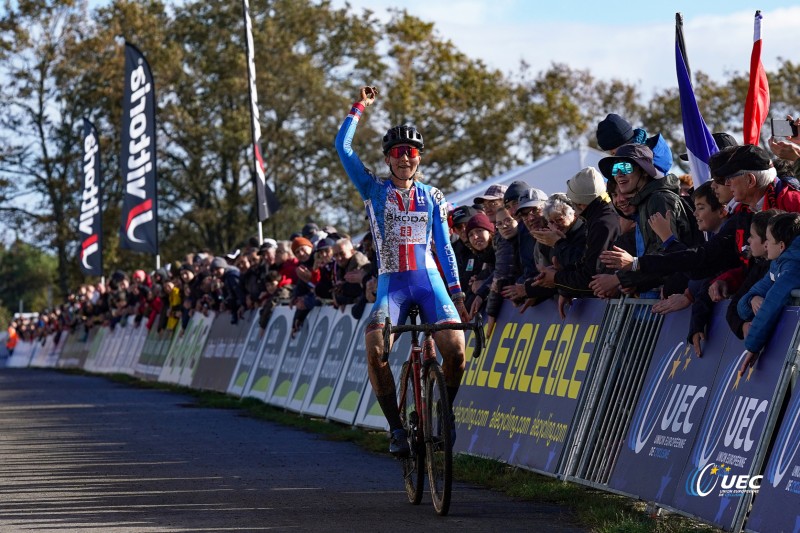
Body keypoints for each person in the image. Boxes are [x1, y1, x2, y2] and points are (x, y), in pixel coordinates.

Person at [335, 86, 468, 456]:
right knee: (376, 349)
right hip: (392, 286)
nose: (404, 159)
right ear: (388, 158)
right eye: (397, 153)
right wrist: (360, 107)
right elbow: (342, 148)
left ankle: (445, 413)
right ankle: (396, 429)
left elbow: (443, 247)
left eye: (410, 153)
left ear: (419, 158)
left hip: (430, 284)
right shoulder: (373, 188)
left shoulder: (433, 196)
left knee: (456, 351)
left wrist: (457, 293)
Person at [736, 212, 800, 375]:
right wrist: (752, 300)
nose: (766, 246)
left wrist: (752, 345)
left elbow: (772, 302)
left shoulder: (793, 267)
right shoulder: (777, 264)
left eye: (769, 241)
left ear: (781, 246)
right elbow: (743, 305)